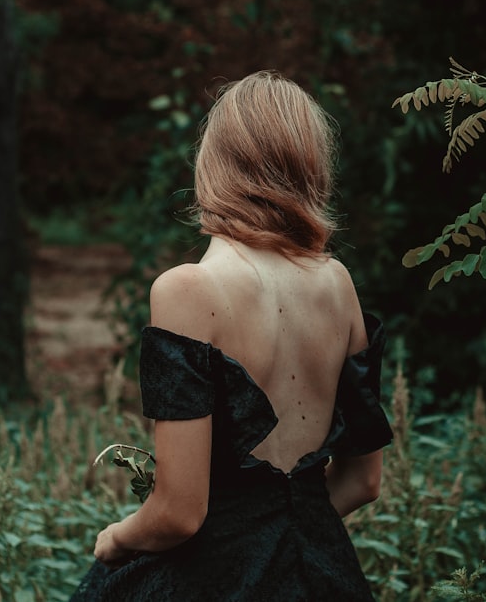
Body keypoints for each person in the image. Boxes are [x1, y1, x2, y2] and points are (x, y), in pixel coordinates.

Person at [69, 70, 392, 601]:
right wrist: (284, 533)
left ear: (212, 164)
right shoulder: (339, 285)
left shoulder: (188, 289)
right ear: (312, 166)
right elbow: (363, 482)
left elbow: (178, 513)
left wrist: (116, 538)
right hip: (321, 572)